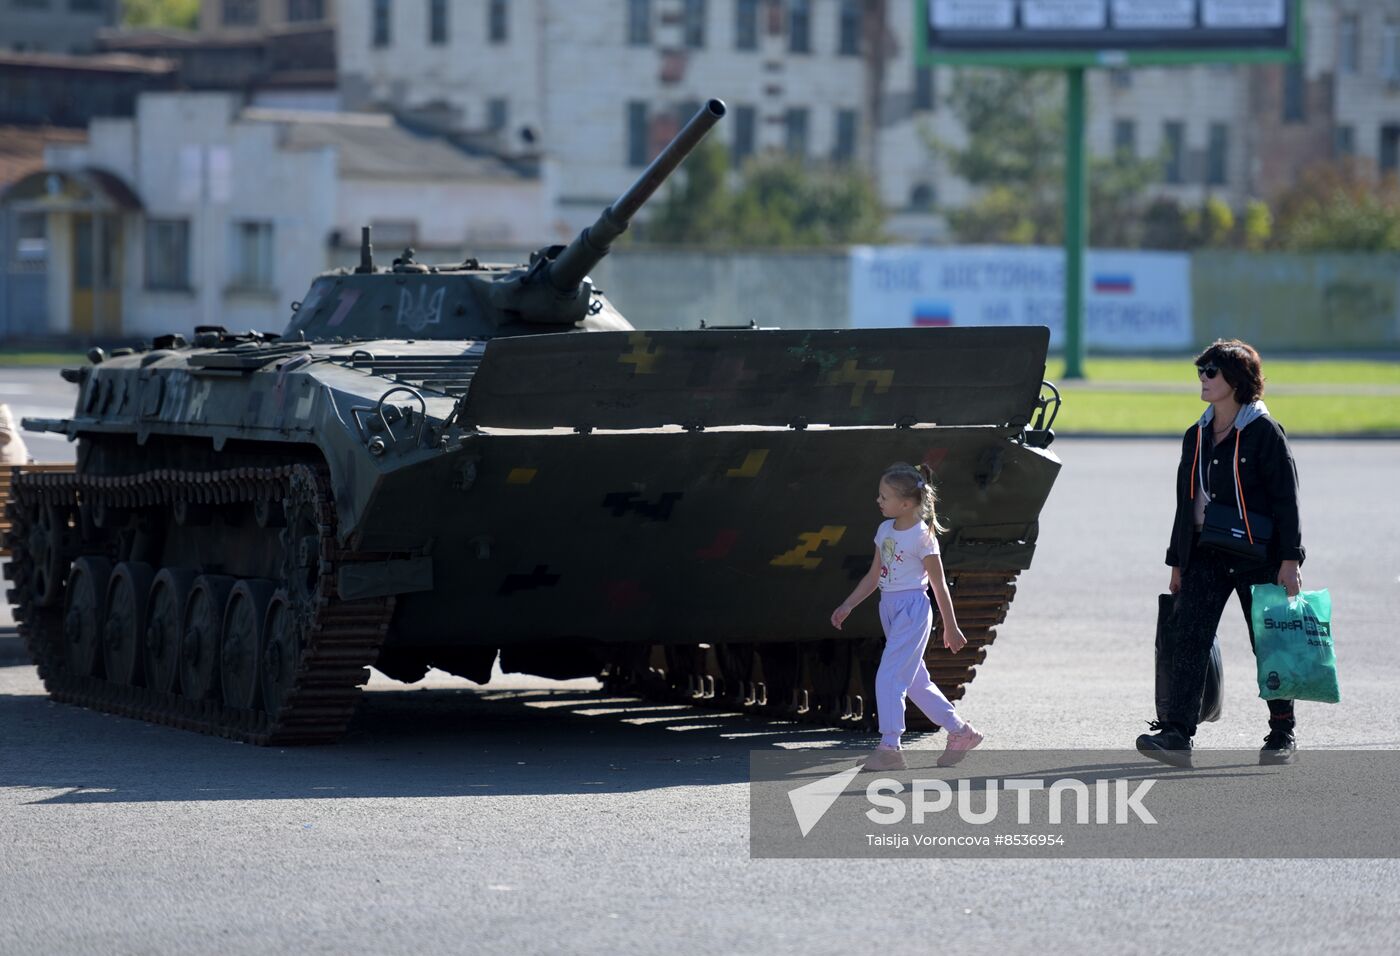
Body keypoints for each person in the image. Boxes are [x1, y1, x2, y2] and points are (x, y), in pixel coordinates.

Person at [1137, 339, 1304, 769]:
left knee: (1268, 644)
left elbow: (1287, 499)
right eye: (1201, 371)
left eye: (1212, 371)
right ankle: (1177, 734)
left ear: (1237, 380)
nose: (1204, 379)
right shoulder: (1197, 435)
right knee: (1188, 640)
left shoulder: (1264, 432)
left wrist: (1290, 560)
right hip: (1207, 552)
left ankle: (1282, 731)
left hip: (1258, 555)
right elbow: (1184, 501)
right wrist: (1178, 560)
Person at [831, 462, 983, 772]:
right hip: (889, 607)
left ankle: (890, 747)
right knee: (914, 681)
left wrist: (951, 627)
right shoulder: (885, 530)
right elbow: (875, 575)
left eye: (884, 496)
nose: (878, 501)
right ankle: (961, 732)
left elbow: (938, 584)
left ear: (906, 503)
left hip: (913, 610)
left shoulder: (922, 537)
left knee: (889, 676)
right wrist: (848, 604)